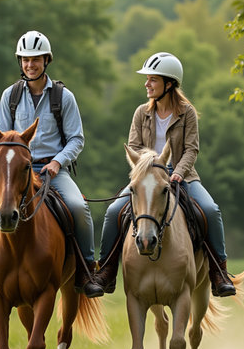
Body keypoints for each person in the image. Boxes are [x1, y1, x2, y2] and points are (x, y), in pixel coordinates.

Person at [0, 30, 103, 298]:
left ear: (46, 60)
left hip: (51, 171)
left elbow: (76, 139)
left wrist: (58, 163)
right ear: (20, 62)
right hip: (13, 173)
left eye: (35, 59)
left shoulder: (64, 97)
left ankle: (86, 271)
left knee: (79, 209)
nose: (30, 65)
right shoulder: (9, 96)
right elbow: (0, 140)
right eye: (25, 60)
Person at [95, 52, 236, 297]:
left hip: (183, 176)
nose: (146, 84)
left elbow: (192, 149)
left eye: (152, 80)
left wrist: (178, 173)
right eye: (147, 79)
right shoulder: (141, 113)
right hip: (147, 178)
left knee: (210, 210)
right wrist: (147, 170)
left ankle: (219, 272)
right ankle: (106, 270)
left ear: (169, 84)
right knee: (113, 212)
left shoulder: (187, 113)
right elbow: (134, 147)